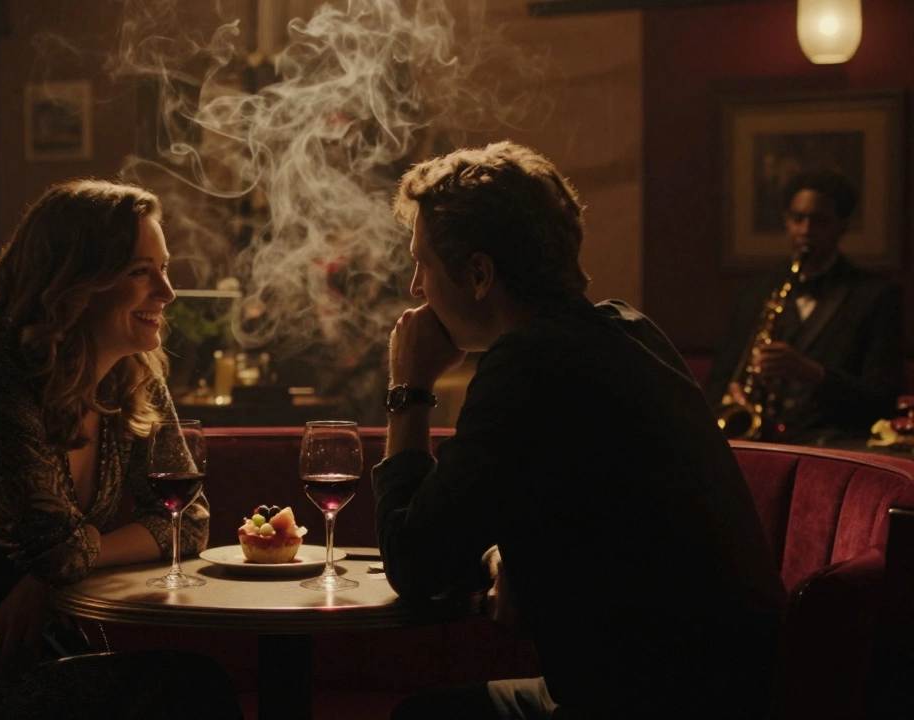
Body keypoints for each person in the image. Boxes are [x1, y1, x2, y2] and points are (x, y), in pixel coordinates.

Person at [374, 142, 787, 719]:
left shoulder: (527, 366)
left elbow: (414, 564)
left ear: (479, 274)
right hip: (737, 689)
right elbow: (597, 518)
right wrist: (507, 555)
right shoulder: (630, 329)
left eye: (423, 263)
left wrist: (409, 388)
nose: (416, 287)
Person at [0, 179, 236, 719]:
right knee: (187, 689)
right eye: (141, 271)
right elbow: (55, 552)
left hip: (49, 650)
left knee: (189, 686)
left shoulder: (134, 374)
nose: (167, 291)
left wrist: (45, 583)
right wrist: (52, 571)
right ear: (75, 282)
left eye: (164, 268)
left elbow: (188, 520)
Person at [705, 166, 905, 445]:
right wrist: (732, 394)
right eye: (798, 219)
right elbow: (718, 380)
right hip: (761, 443)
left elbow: (882, 399)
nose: (806, 231)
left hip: (836, 446)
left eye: (820, 221)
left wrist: (812, 373)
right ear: (786, 221)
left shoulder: (877, 296)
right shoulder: (752, 294)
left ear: (842, 226)